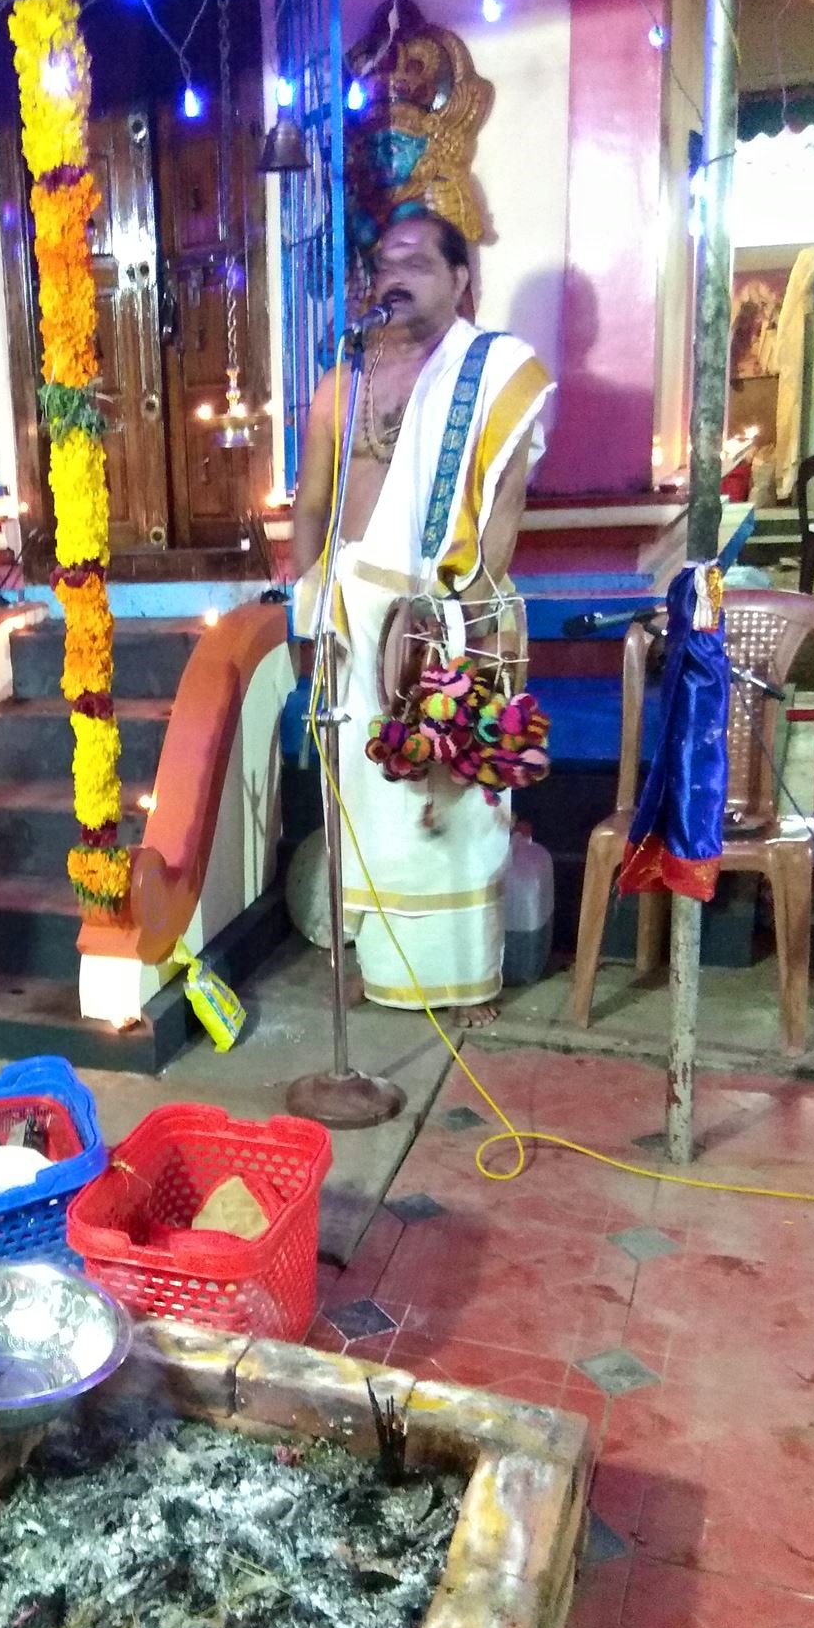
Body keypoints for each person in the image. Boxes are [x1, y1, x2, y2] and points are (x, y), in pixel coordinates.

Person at [291, 209, 554, 1025]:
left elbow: (504, 507)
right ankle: (371, 957)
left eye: (416, 261)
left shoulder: (496, 375)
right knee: (365, 802)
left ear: (461, 280)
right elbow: (310, 504)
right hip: (350, 616)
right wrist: (307, 605)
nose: (393, 275)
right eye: (383, 263)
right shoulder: (343, 383)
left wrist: (465, 621)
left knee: (448, 801)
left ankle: (462, 978)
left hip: (444, 613)